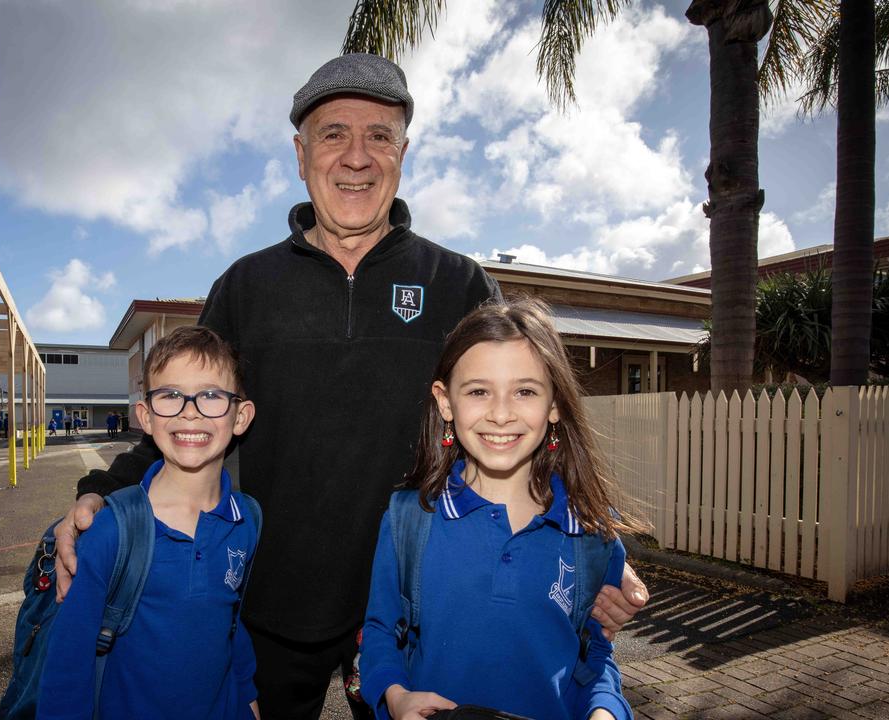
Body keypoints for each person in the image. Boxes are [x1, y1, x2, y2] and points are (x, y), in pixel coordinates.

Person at [52, 53, 649, 720]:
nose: (357, 157)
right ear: (301, 153)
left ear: (404, 152)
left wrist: (599, 547)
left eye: (380, 135)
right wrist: (102, 494)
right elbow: (190, 414)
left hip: (416, 607)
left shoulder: (459, 284)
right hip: (270, 602)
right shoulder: (247, 287)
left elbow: (526, 420)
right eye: (334, 134)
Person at [359, 298, 636, 720]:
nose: (502, 414)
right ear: (445, 401)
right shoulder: (408, 519)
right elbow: (381, 632)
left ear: (555, 403)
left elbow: (594, 657)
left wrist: (605, 711)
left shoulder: (592, 531)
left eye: (525, 391)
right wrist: (395, 696)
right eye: (478, 391)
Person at [37, 326, 261, 719]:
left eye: (210, 394)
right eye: (171, 395)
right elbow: (66, 669)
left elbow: (232, 625)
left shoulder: (248, 519)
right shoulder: (113, 530)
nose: (190, 410)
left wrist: (249, 700)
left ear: (240, 417)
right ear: (146, 417)